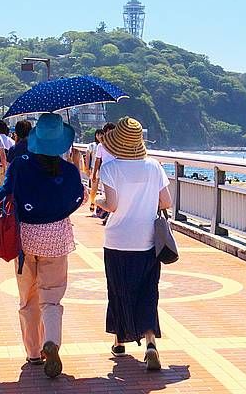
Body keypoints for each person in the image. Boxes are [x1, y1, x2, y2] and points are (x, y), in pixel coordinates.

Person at [0, 113, 84, 379]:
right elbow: (76, 200)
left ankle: (33, 353)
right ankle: (51, 342)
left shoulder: (20, 165)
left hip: (25, 239)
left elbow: (3, 193)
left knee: (27, 298)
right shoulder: (68, 170)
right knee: (51, 298)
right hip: (56, 238)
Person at [95, 116, 173, 371]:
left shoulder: (111, 168)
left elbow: (112, 205)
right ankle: (150, 342)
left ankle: (119, 341)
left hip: (118, 240)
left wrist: (96, 200)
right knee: (148, 291)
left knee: (118, 290)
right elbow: (166, 202)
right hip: (148, 240)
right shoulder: (154, 166)